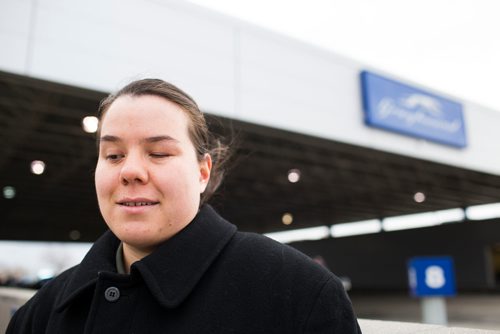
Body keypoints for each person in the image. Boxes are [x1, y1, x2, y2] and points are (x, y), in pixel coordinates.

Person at [7, 79, 361, 333]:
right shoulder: (43, 312)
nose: (129, 171)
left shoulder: (298, 294)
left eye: (158, 153)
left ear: (203, 171)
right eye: (113, 155)